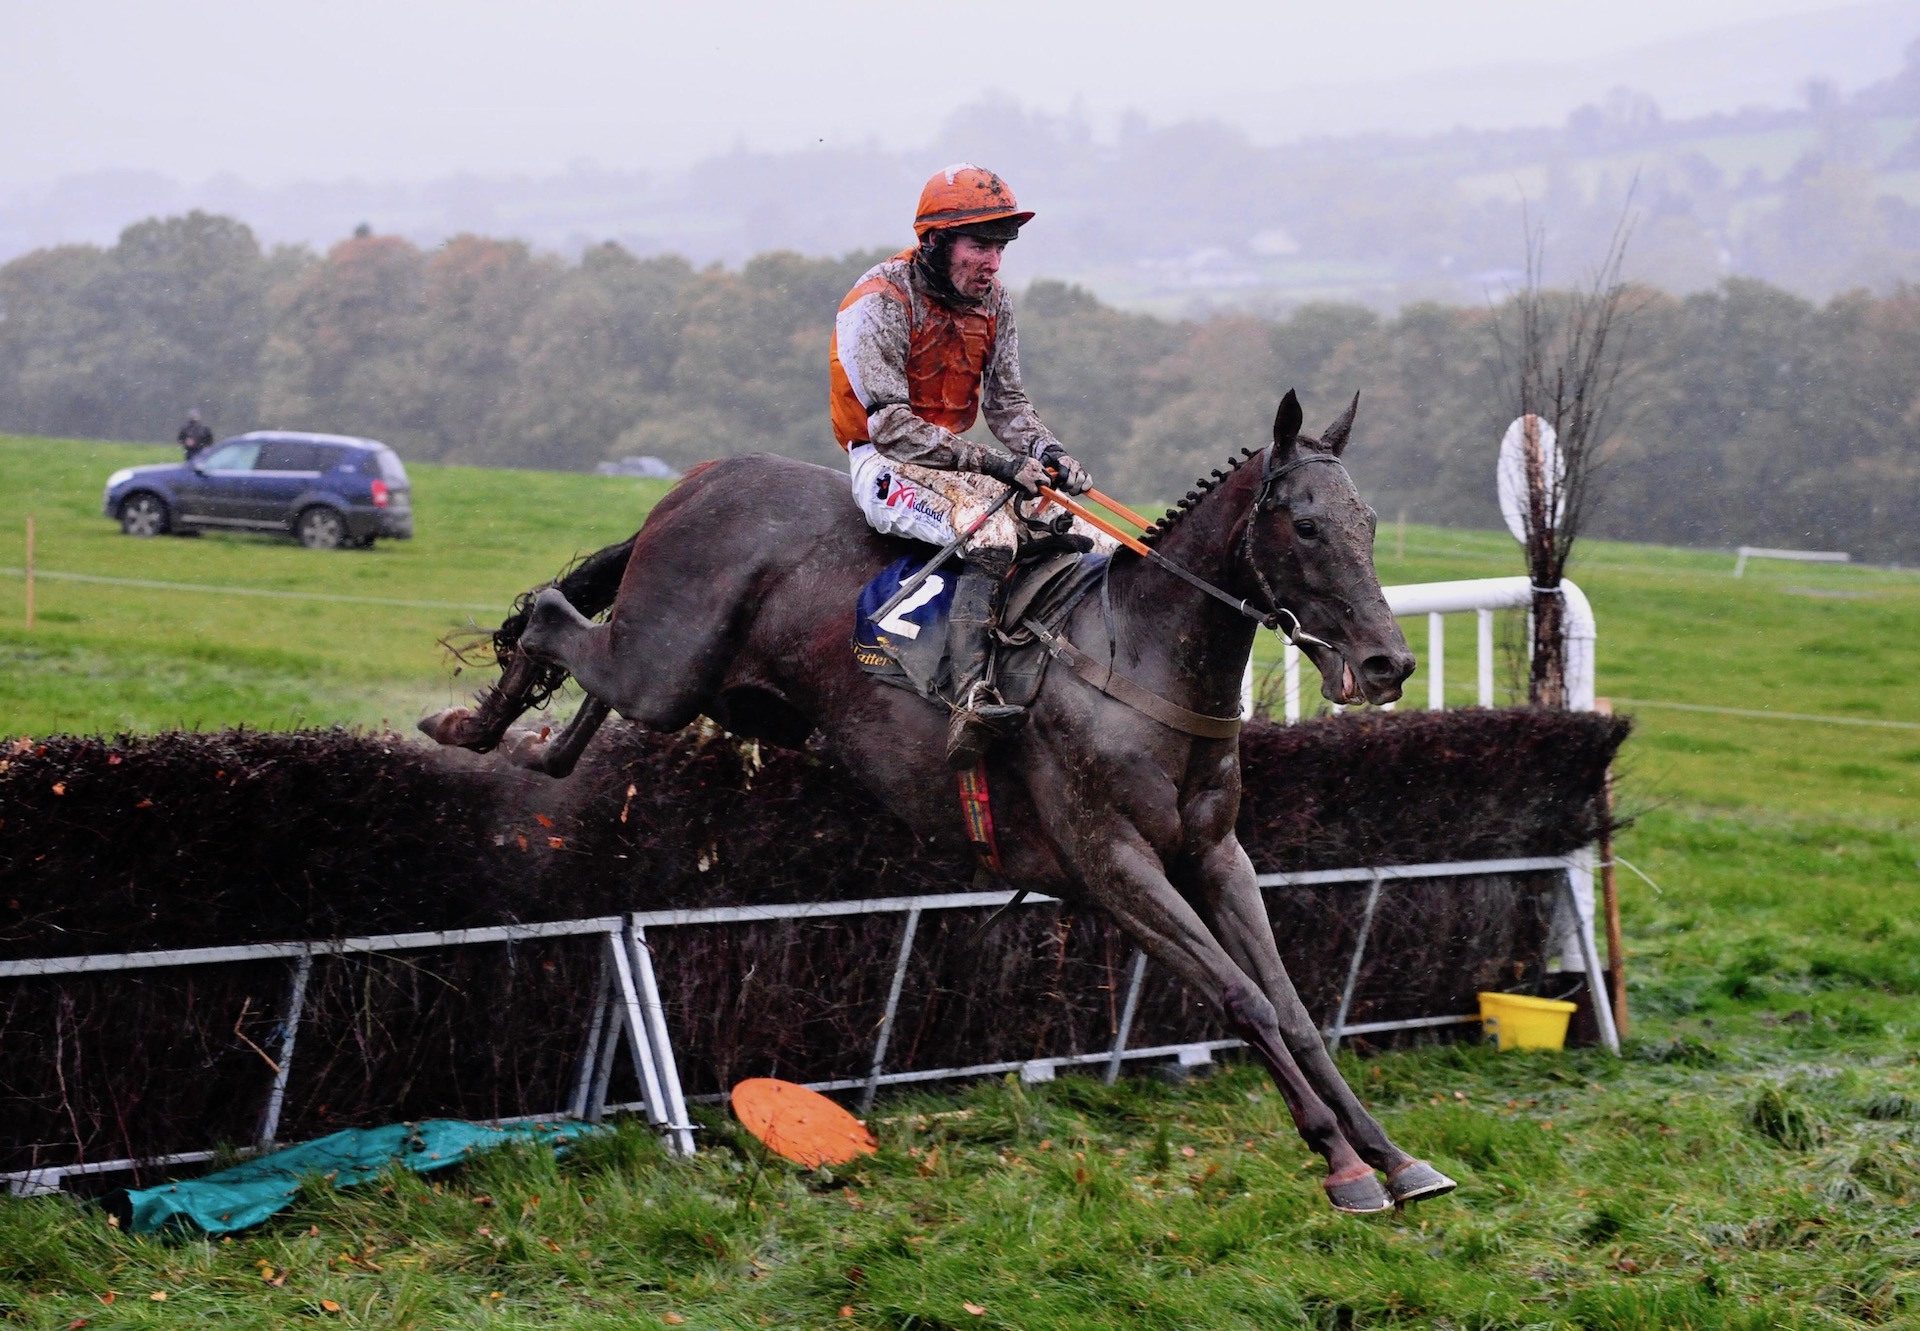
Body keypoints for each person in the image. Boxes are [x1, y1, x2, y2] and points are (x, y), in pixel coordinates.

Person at [830, 164, 1109, 769]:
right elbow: (891, 426)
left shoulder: (995, 304)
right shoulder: (877, 302)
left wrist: (1050, 453)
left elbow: (1007, 405)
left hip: (960, 467)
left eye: (1000, 248)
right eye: (980, 245)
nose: (993, 263)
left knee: (1092, 535)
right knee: (993, 532)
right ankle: (969, 697)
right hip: (885, 462)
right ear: (934, 243)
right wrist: (999, 465)